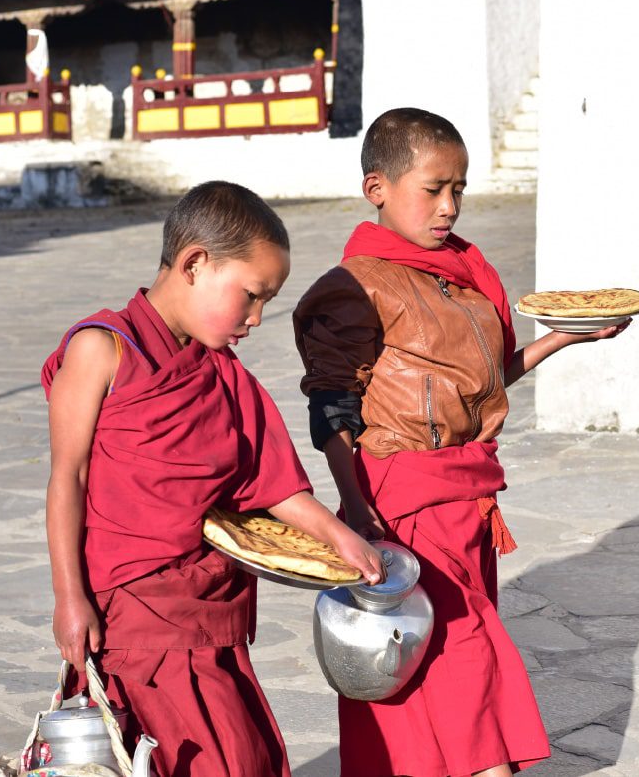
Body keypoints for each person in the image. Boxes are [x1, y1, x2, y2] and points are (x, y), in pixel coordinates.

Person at [293, 108, 631, 777]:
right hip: (404, 503)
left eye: (460, 189)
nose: (448, 206)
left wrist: (561, 337)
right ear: (377, 188)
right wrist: (355, 511)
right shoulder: (354, 288)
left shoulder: (458, 276)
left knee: (436, 667)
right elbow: (331, 408)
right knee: (458, 660)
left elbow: (478, 384)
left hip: (467, 497)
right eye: (433, 188)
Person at [42, 181, 384, 777]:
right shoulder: (102, 351)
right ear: (196, 263)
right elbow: (66, 477)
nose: (255, 319)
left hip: (209, 609)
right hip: (131, 611)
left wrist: (340, 535)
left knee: (241, 756)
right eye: (251, 296)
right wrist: (69, 597)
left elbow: (273, 484)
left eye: (266, 304)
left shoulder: (222, 373)